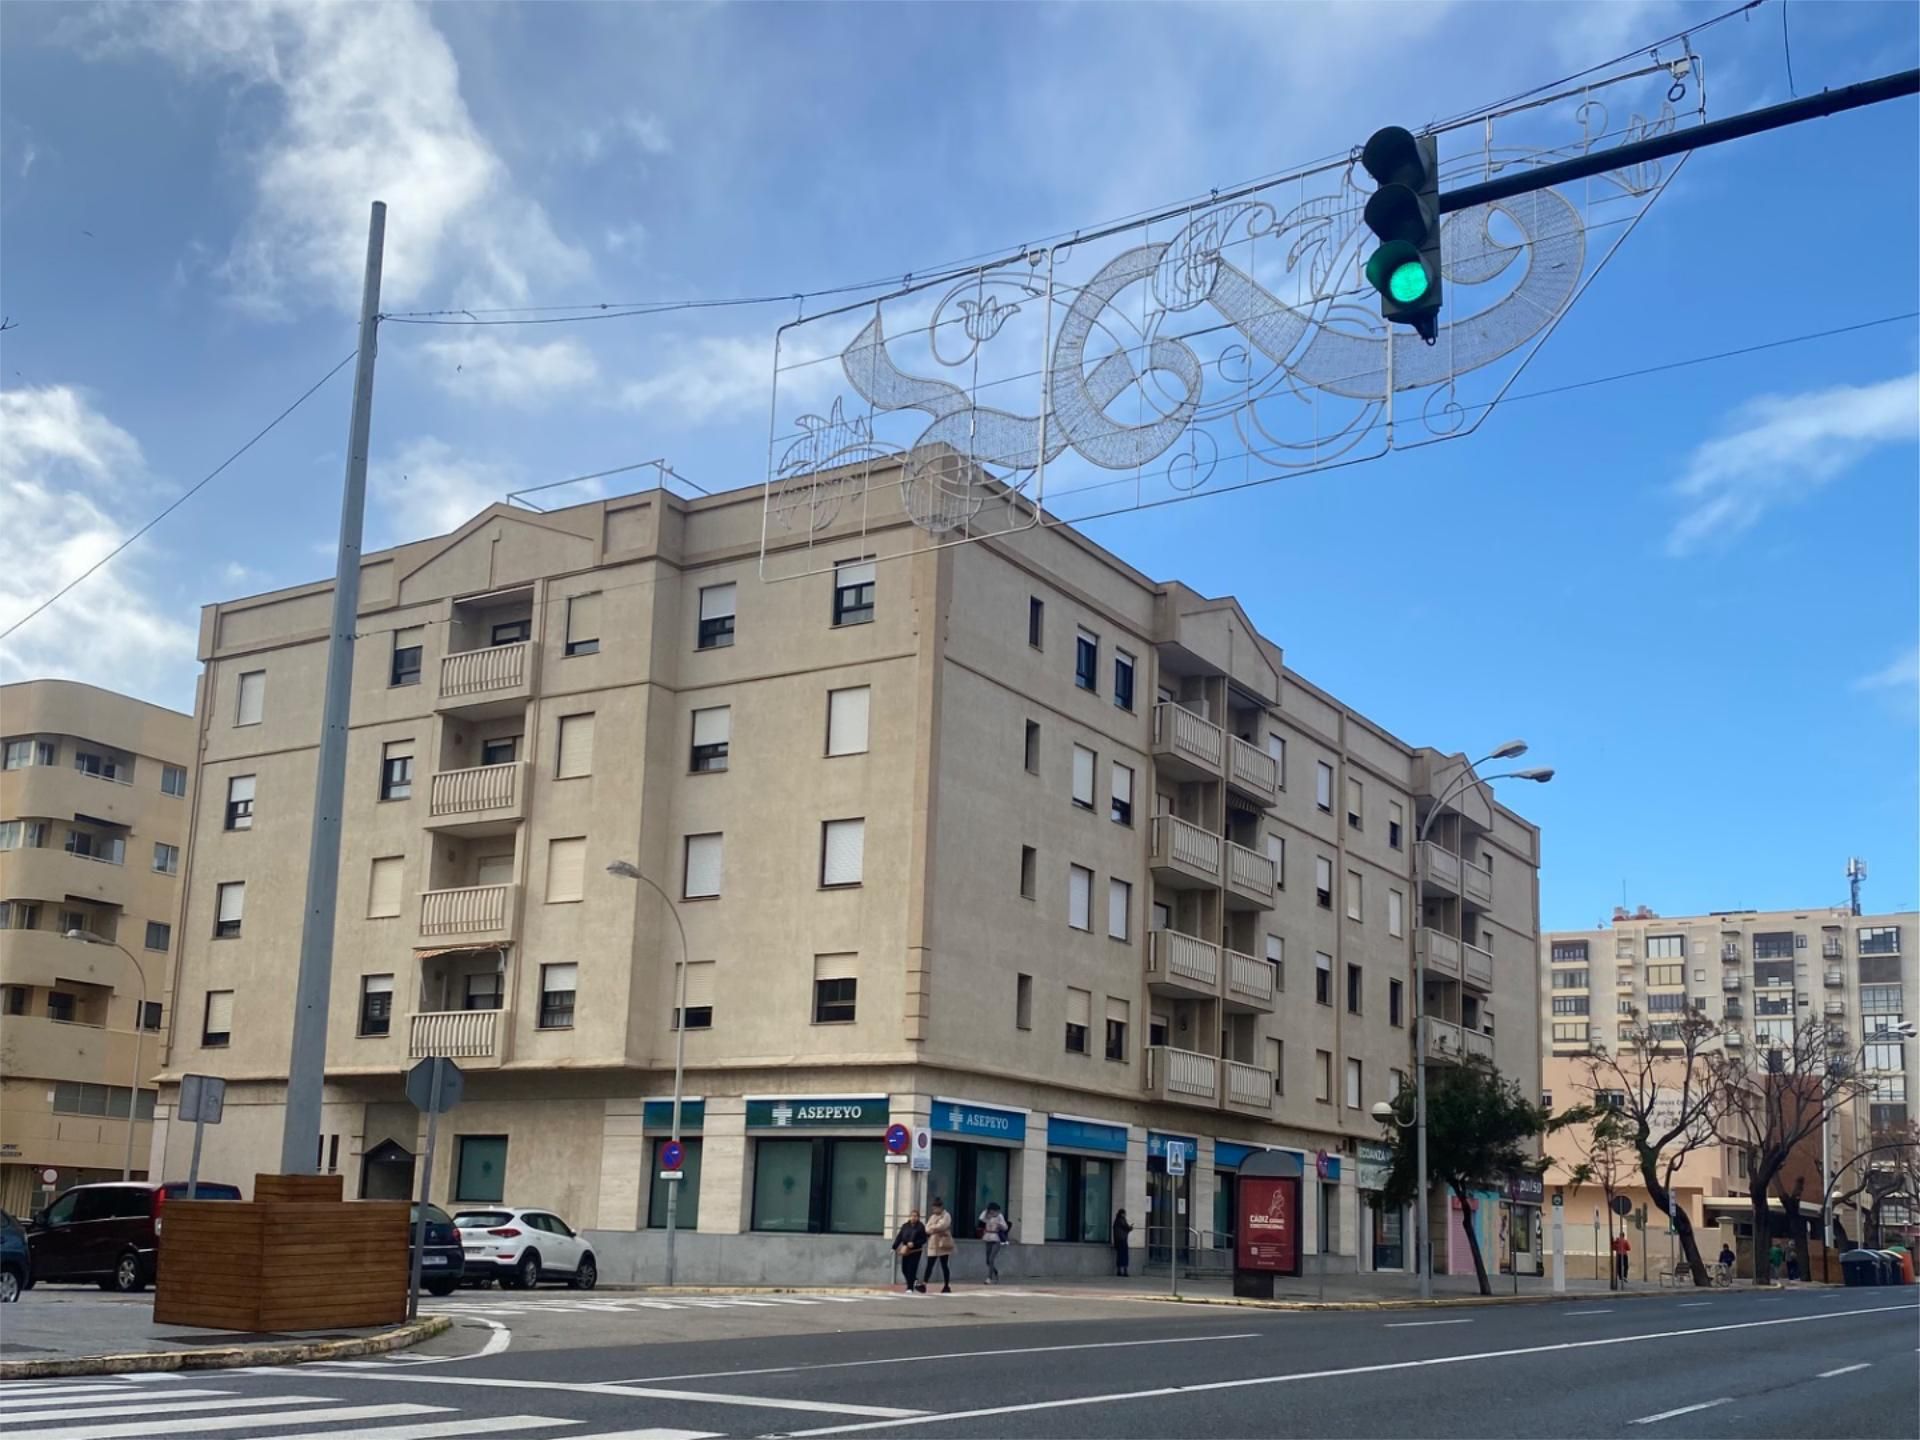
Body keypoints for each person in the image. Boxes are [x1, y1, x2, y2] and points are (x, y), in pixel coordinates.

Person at [892, 1209, 927, 1295]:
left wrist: (914, 1243)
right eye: (912, 1216)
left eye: (915, 1216)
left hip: (916, 1250)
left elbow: (924, 1239)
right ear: (909, 1217)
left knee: (912, 1268)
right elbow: (899, 1237)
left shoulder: (920, 1227)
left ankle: (909, 1287)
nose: (913, 1218)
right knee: (904, 1269)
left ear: (918, 1217)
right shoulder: (905, 1226)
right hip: (906, 1250)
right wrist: (894, 1247)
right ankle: (914, 1281)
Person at [924, 1198, 955, 1293]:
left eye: (935, 1208)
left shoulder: (946, 1215)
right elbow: (927, 1228)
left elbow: (942, 1226)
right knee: (929, 1264)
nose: (934, 1210)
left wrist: (933, 1228)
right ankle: (924, 1284)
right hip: (933, 1243)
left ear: (940, 1207)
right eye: (933, 1208)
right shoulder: (932, 1217)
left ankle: (946, 1285)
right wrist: (933, 1228)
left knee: (944, 1265)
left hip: (943, 1243)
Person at [978, 1202, 1010, 1285]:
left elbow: (1005, 1227)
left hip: (996, 1238)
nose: (995, 1212)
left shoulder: (999, 1216)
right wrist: (986, 1211)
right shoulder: (987, 1216)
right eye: (993, 1210)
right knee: (988, 1261)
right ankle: (995, 1272)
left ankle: (989, 1278)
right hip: (988, 1236)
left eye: (996, 1211)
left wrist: (1000, 1225)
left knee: (991, 1258)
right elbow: (981, 1218)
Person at [1113, 1208, 1134, 1278]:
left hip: (1118, 1240)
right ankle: (1125, 1271)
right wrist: (1130, 1228)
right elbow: (1126, 1227)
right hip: (1122, 1240)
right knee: (1124, 1256)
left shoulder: (1117, 1220)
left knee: (1120, 1256)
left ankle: (1119, 1271)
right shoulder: (1121, 1220)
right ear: (1122, 1214)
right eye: (1124, 1213)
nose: (1125, 1215)